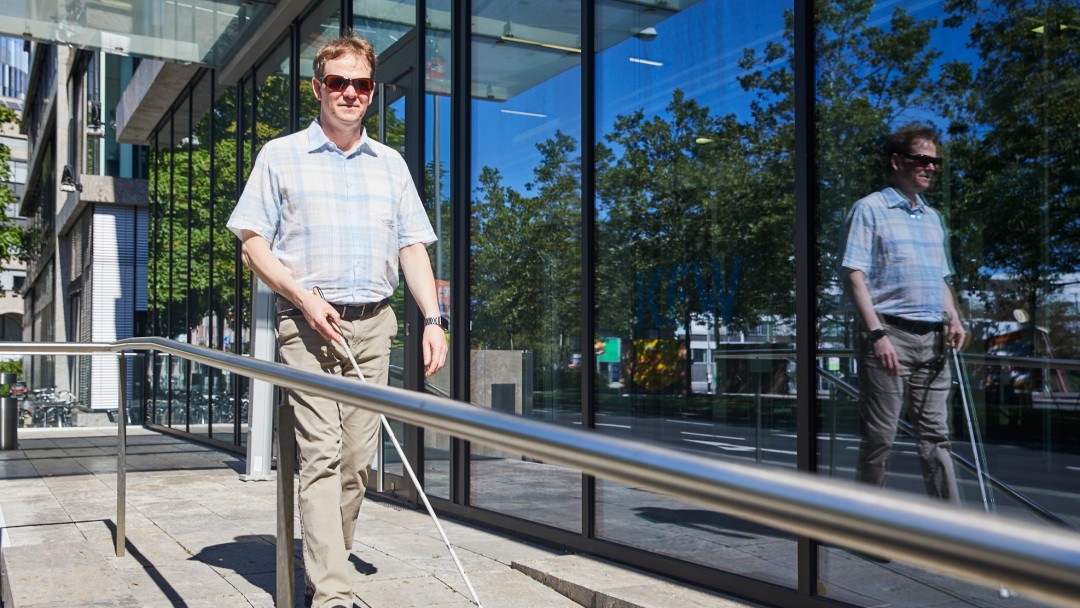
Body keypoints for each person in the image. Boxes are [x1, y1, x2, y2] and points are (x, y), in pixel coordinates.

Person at [227, 32, 448, 608]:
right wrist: (301, 297)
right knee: (319, 457)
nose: (350, 93)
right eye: (338, 82)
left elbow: (412, 247)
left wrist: (433, 317)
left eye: (361, 84)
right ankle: (332, 593)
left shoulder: (392, 164)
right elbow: (252, 245)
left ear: (372, 92)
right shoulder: (280, 155)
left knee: (356, 462)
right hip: (307, 325)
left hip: (374, 326)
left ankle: (328, 562)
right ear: (318, 88)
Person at [841, 124, 966, 503]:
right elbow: (853, 274)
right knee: (881, 438)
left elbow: (939, 278)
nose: (931, 167)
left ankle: (954, 530)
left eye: (935, 162)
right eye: (922, 160)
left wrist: (956, 318)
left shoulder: (932, 218)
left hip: (933, 340)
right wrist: (876, 334)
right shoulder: (870, 209)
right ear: (897, 162)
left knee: (936, 438)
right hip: (889, 338)